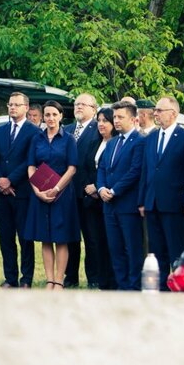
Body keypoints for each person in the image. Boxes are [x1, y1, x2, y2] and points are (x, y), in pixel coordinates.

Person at [24, 100, 80, 290]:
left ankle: (59, 280)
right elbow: (31, 166)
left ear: (61, 116)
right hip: (40, 193)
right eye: (47, 115)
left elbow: (72, 169)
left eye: (54, 115)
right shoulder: (36, 139)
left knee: (61, 237)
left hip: (62, 195)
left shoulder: (69, 139)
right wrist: (37, 190)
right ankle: (49, 280)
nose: (50, 118)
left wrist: (56, 189)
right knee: (45, 237)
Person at [138, 96, 184, 290]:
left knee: (176, 250)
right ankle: (160, 288)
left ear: (173, 113)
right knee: (156, 249)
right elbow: (146, 170)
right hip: (152, 203)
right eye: (156, 110)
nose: (156, 113)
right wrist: (142, 201)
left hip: (174, 203)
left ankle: (179, 286)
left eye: (160, 110)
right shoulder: (151, 137)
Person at [0, 91, 39, 289]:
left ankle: (26, 278)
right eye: (10, 104)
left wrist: (10, 180)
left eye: (17, 105)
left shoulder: (33, 131)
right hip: (2, 194)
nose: (12, 108)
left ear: (26, 108)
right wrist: (1, 182)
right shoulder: (1, 131)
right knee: (5, 237)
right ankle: (9, 277)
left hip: (22, 192)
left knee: (25, 238)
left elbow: (30, 160)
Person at [97, 101, 146, 290]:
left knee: (132, 248)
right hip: (109, 206)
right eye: (115, 117)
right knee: (115, 248)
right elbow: (102, 168)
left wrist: (114, 190)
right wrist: (101, 188)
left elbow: (135, 171)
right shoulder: (112, 142)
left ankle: (133, 286)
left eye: (120, 117)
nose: (116, 121)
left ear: (133, 119)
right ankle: (121, 284)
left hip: (128, 204)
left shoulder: (140, 141)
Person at [63, 93, 99, 288]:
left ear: (93, 109)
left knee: (91, 238)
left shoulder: (99, 129)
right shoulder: (66, 129)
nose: (78, 107)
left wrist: (93, 186)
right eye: (76, 104)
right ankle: (71, 277)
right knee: (70, 238)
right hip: (67, 194)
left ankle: (93, 277)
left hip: (88, 194)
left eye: (83, 104)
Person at [81, 107, 117, 290]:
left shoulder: (117, 143)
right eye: (99, 120)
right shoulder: (94, 143)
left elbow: (115, 170)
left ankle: (111, 279)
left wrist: (98, 186)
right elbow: (86, 166)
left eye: (105, 121)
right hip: (90, 200)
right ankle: (95, 278)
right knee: (93, 242)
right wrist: (90, 187)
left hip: (109, 199)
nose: (101, 124)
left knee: (110, 241)